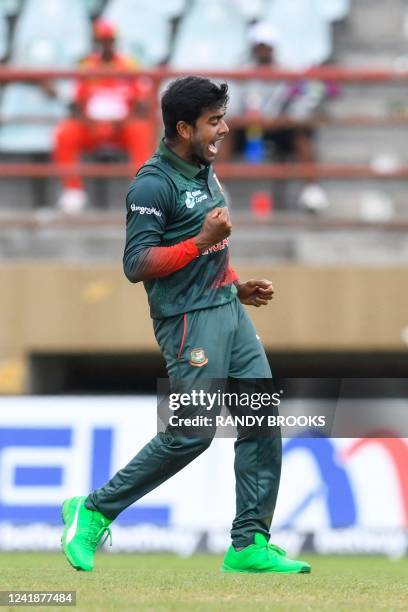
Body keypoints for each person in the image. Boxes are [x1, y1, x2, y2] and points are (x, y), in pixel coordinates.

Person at [60, 76, 311, 575]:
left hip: (227, 311)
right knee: (192, 433)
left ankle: (249, 543)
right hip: (188, 322)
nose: (224, 128)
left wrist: (235, 284)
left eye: (223, 117)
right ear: (182, 127)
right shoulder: (153, 182)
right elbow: (136, 264)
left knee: (260, 419)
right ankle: (93, 510)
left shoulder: (204, 169)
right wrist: (199, 243)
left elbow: (212, 244)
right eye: (214, 121)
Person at [228, 21, 339, 212]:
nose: (263, 50)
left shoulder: (290, 71)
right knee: (224, 133)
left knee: (301, 134)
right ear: (253, 47)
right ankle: (219, 191)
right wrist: (248, 119)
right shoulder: (241, 71)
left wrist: (283, 120)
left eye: (267, 46)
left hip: (279, 127)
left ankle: (312, 192)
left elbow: (299, 104)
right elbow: (231, 106)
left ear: (274, 47)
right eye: (260, 46)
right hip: (248, 127)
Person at [54, 19, 154, 214]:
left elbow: (142, 102)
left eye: (109, 40)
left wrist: (127, 119)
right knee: (65, 132)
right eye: (102, 40)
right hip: (91, 126)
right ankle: (73, 191)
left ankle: (142, 195)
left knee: (141, 129)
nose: (106, 44)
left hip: (121, 127)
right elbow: (75, 103)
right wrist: (86, 120)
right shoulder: (85, 66)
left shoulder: (129, 65)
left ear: (115, 41)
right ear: (96, 42)